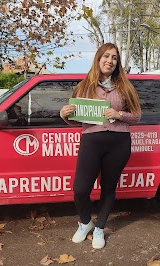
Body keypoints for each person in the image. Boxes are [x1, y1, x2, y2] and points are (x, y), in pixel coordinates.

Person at [60, 43, 141, 249]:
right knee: (80, 189)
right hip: (91, 141)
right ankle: (86, 223)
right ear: (98, 59)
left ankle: (99, 229)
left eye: (114, 58)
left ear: (117, 63)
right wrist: (65, 116)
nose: (110, 61)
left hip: (119, 143)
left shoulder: (125, 87)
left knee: (108, 189)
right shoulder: (84, 86)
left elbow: (137, 116)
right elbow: (78, 119)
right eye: (106, 56)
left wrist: (119, 114)